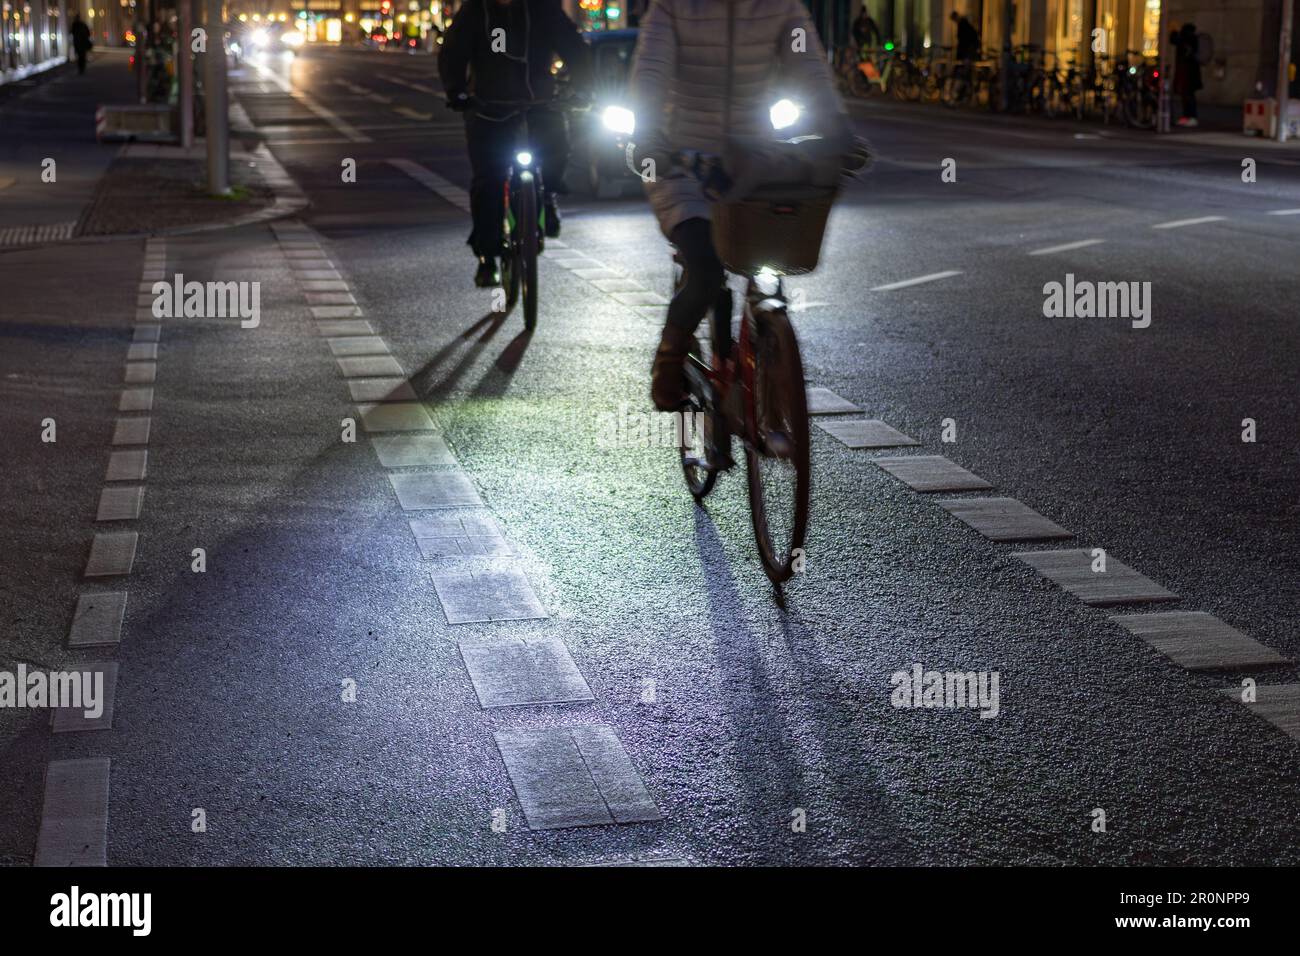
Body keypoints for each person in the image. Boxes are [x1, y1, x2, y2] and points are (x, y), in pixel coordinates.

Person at [630, 0, 852, 411]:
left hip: (754, 165)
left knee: (770, 255)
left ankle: (766, 357)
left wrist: (836, 128)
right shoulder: (674, 8)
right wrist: (648, 133)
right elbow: (651, 73)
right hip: (683, 165)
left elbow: (811, 71)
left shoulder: (781, 8)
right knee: (707, 266)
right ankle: (668, 362)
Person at [439, 0, 591, 287]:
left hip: (539, 103)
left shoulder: (542, 8)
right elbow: (453, 52)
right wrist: (456, 91)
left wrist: (584, 86)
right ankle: (488, 257)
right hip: (488, 107)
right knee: (489, 180)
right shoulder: (477, 10)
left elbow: (573, 45)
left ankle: (547, 196)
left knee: (556, 144)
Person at [1170, 23, 1202, 127]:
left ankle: (1191, 117)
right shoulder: (1191, 39)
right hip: (1188, 74)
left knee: (1188, 96)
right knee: (1187, 96)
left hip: (1187, 74)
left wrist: (1174, 31)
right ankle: (1188, 117)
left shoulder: (1187, 39)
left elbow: (1175, 40)